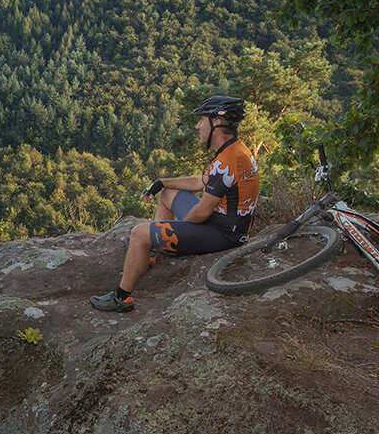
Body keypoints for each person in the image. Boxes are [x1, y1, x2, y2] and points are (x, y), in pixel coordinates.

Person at [90, 95, 260, 312]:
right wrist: (162, 183)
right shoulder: (234, 150)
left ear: (217, 122)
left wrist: (180, 226)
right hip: (224, 223)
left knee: (139, 233)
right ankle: (150, 251)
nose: (197, 126)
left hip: (223, 233)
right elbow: (200, 182)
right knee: (168, 194)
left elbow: (201, 213)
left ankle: (122, 298)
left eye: (201, 120)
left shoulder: (227, 162)